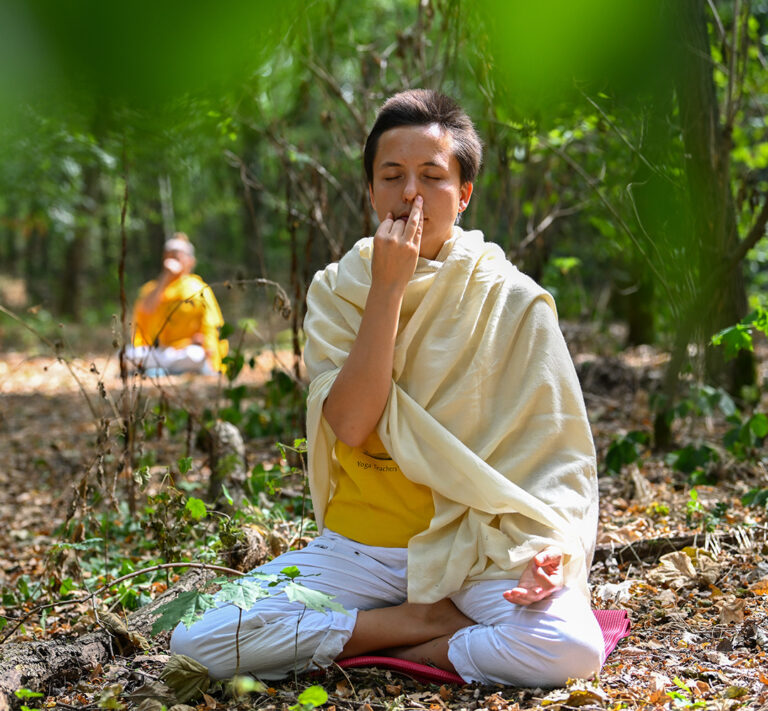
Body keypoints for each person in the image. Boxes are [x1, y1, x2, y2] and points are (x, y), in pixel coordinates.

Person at [171, 90, 604, 686]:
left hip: (477, 547)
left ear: (464, 193)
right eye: (392, 176)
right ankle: (414, 624)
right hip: (362, 549)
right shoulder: (338, 290)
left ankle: (415, 648)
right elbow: (352, 425)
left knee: (571, 648)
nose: (411, 195)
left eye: (433, 176)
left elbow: (558, 457)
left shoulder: (512, 300)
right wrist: (388, 286)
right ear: (371, 192)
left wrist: (551, 547)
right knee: (198, 638)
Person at [125, 233, 228, 375]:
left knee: (195, 355)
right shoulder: (152, 288)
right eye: (169, 255)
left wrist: (208, 348)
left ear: (191, 261)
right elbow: (146, 310)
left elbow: (211, 325)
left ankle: (168, 370)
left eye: (178, 255)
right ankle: (166, 370)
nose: (172, 259)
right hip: (157, 352)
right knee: (127, 355)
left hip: (186, 351)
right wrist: (166, 278)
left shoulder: (198, 288)